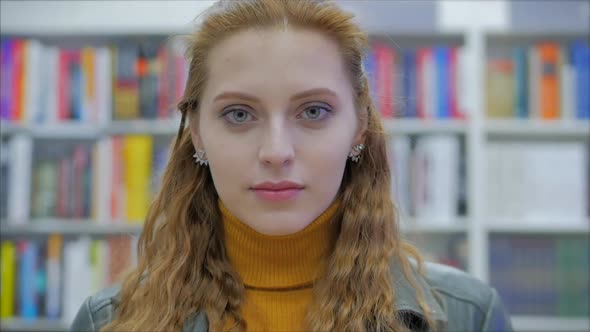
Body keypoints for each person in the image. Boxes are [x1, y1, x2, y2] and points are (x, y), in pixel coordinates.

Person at [71, 0, 513, 331]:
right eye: (239, 114)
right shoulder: (109, 321)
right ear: (198, 133)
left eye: (313, 111)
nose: (276, 151)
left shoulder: (466, 315)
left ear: (359, 126)